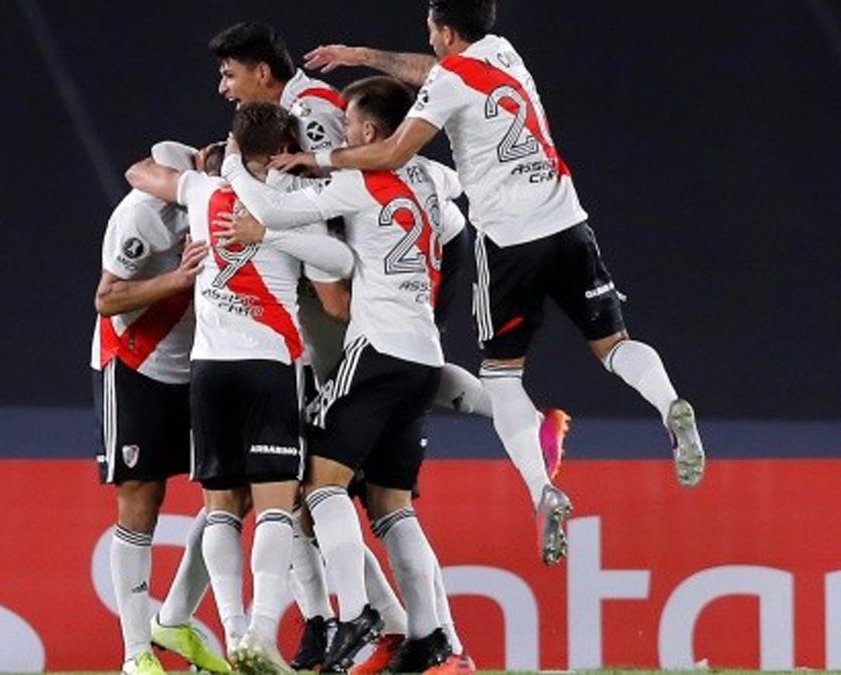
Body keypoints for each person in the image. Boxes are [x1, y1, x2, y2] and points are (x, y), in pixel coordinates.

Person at [275, 0, 706, 566]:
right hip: (568, 222)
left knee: (502, 377)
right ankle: (670, 404)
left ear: (446, 30)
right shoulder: (502, 53)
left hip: (510, 241)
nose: (428, 38)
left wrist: (321, 158)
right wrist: (362, 56)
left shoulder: (448, 81)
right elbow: (431, 72)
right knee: (614, 345)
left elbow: (396, 149)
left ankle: (542, 490)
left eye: (431, 28)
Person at [219, 76, 475, 673]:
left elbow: (271, 210)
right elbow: (455, 187)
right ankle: (430, 636)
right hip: (423, 355)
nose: (342, 132)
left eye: (351, 123)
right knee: (391, 505)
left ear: (370, 131)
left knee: (321, 485)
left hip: (377, 349)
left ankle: (356, 615)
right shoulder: (432, 179)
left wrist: (235, 165)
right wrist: (320, 162)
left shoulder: (359, 183)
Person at [126, 102, 355, 675]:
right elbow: (338, 270)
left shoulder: (201, 192)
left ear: (234, 143)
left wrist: (218, 165)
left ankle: (231, 629)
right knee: (277, 504)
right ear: (284, 149)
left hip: (209, 369)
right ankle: (261, 632)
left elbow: (140, 173)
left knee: (221, 507)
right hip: (268, 365)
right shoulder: (296, 205)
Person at [90, 144, 230, 675]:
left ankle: (173, 617)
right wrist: (177, 279)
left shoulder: (232, 202)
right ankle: (135, 655)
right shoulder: (143, 214)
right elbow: (106, 299)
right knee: (141, 499)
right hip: (137, 364)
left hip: (201, 363)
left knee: (232, 491)